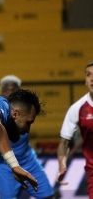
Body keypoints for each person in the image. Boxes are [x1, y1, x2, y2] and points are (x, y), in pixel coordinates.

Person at [0, 75, 54, 199]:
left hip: (28, 161)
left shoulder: (26, 111)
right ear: (1, 92)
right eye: (6, 91)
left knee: (48, 196)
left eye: (13, 90)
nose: (9, 94)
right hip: (4, 166)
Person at [57, 61, 93, 198]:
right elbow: (64, 142)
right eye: (88, 75)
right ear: (85, 80)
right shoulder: (77, 109)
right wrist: (62, 164)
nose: (92, 79)